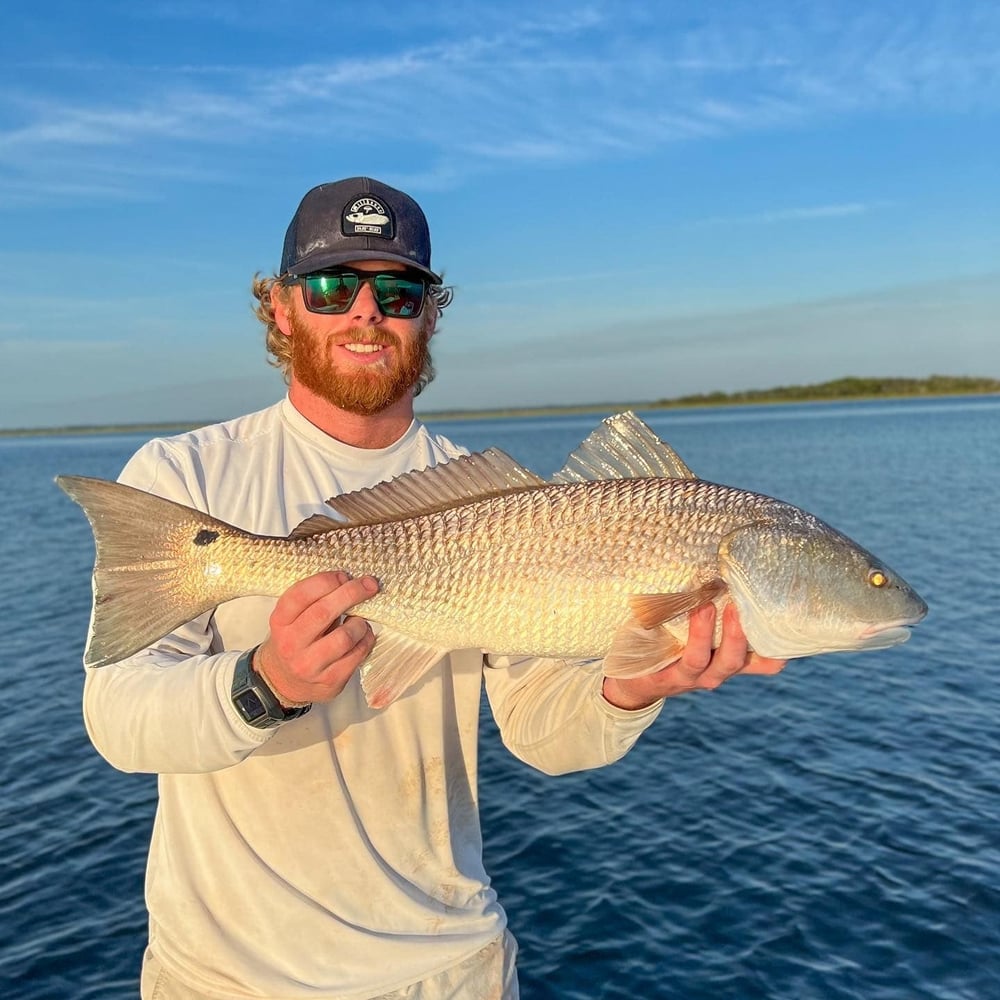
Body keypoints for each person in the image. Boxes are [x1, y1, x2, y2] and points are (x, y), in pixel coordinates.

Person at [81, 176, 787, 1000]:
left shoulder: (504, 504)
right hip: (225, 977)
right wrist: (263, 684)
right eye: (333, 284)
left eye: (400, 289)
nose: (366, 310)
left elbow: (542, 737)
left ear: (432, 310)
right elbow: (118, 719)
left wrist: (633, 687)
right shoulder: (182, 478)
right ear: (280, 307)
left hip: (449, 971)